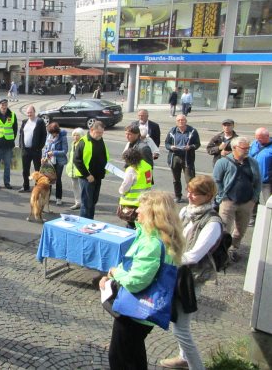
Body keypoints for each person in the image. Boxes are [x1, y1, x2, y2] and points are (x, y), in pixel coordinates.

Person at [101, 191, 184, 370]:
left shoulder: (152, 243)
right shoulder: (163, 237)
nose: (137, 211)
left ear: (154, 214)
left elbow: (137, 281)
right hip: (143, 312)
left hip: (135, 311)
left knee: (120, 358)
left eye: (141, 208)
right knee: (134, 353)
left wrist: (115, 273)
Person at [160, 176, 222, 370]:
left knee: (181, 329)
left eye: (195, 193)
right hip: (176, 272)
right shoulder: (187, 210)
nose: (189, 195)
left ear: (209, 196)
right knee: (176, 320)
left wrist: (166, 260)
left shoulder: (212, 222)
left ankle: (195, 365)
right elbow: (173, 233)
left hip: (191, 278)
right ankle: (183, 357)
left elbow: (195, 256)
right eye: (189, 191)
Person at [213, 137, 261, 262]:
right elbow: (217, 180)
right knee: (224, 229)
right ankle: (222, 252)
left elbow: (258, 182)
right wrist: (223, 196)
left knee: (241, 229)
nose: (247, 151)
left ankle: (233, 249)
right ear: (234, 148)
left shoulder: (252, 163)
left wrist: (254, 198)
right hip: (228, 201)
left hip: (247, 202)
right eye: (244, 148)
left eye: (248, 148)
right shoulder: (223, 162)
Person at [73, 121, 109, 219]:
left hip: (97, 176)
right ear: (92, 130)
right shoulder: (83, 141)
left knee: (93, 201)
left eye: (102, 133)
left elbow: (103, 156)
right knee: (86, 202)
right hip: (87, 177)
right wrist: (87, 175)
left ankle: (90, 221)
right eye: (98, 132)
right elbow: (76, 160)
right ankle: (84, 223)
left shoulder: (100, 140)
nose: (100, 135)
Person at [166, 115, 201, 203]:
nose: (181, 122)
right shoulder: (172, 131)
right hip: (175, 158)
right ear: (176, 122)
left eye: (182, 120)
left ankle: (192, 197)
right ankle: (178, 196)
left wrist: (190, 147)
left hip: (187, 159)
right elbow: (167, 143)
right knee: (176, 179)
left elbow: (197, 144)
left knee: (190, 180)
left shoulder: (192, 131)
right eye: (179, 120)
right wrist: (171, 147)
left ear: (186, 121)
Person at [118, 149, 152, 229]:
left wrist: (121, 190)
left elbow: (126, 185)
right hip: (144, 199)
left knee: (131, 224)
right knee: (141, 224)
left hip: (132, 203)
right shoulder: (146, 166)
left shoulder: (131, 170)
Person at [0, 98, 18, 190]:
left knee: (7, 165)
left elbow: (15, 129)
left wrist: (12, 139)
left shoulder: (12, 115)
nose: (4, 106)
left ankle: (7, 182)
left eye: (5, 105)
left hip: (8, 144)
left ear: (7, 105)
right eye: (2, 105)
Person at [18, 106, 47, 193]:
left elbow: (44, 135)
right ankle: (26, 186)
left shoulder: (40, 122)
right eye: (28, 113)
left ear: (34, 112)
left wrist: (40, 147)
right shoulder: (24, 122)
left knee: (37, 170)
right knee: (25, 170)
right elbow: (21, 134)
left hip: (36, 151)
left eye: (30, 112)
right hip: (25, 150)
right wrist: (21, 146)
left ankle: (38, 187)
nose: (29, 114)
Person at [42, 122, 68, 206]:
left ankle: (58, 198)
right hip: (50, 160)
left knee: (58, 179)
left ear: (57, 131)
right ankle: (47, 197)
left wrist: (54, 153)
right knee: (48, 179)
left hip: (59, 161)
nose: (53, 135)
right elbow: (46, 147)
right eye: (52, 133)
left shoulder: (62, 136)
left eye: (55, 133)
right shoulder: (49, 135)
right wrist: (44, 156)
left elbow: (65, 151)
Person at [250, 127, 272, 204]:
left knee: (269, 203)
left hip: (267, 182)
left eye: (260, 139)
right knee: (252, 202)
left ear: (267, 136)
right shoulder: (254, 144)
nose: (258, 140)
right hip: (253, 179)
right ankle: (253, 216)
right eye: (257, 138)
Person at [66, 128, 85, 210]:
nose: (75, 137)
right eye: (74, 135)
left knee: (82, 187)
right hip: (72, 170)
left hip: (80, 170)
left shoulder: (83, 144)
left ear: (81, 136)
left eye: (77, 135)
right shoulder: (73, 144)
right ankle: (78, 203)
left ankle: (84, 203)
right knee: (75, 186)